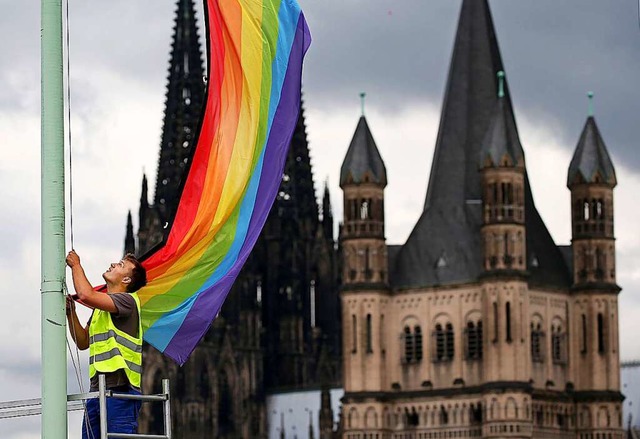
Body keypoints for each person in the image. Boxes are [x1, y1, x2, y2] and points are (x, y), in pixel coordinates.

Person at [65, 250, 147, 439]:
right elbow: (83, 341)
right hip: (97, 391)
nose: (113, 264)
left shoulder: (128, 301)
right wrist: (71, 314)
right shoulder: (100, 309)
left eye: (120, 265)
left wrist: (76, 265)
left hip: (120, 392)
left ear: (126, 280)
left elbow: (85, 294)